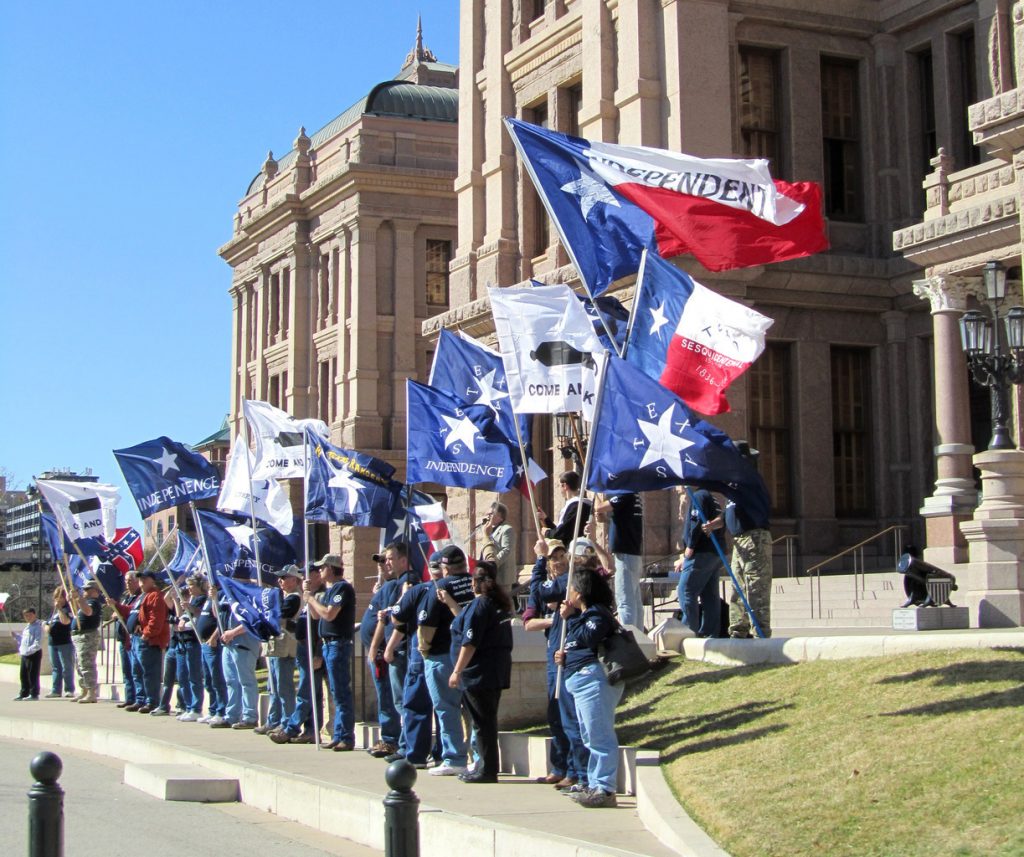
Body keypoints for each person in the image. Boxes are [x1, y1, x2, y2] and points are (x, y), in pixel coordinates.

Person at [522, 537, 588, 790]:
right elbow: (529, 618)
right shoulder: (552, 584)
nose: (558, 561)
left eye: (561, 555)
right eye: (552, 557)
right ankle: (560, 766)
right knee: (555, 713)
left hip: (568, 651)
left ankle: (576, 771)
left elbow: (541, 590)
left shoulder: (571, 580)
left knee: (570, 715)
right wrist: (552, 620)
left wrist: (537, 561)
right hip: (553, 650)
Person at [554, 568, 623, 808]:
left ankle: (604, 788)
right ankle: (594, 783)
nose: (567, 592)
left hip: (594, 681)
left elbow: (589, 638)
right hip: (580, 681)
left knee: (600, 735)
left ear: (581, 592)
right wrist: (566, 657)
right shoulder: (582, 616)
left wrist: (571, 617)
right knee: (590, 736)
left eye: (571, 587)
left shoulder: (597, 614)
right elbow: (577, 643)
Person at [447, 564, 514, 784]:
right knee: (486, 722)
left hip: (479, 673)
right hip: (494, 671)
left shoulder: (481, 605)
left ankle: (487, 770)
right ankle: (486, 767)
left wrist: (457, 671)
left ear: (476, 583)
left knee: (482, 723)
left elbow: (470, 642)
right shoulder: (497, 604)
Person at [703, 443, 774, 639]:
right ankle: (738, 630)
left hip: (754, 538)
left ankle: (760, 632)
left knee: (755, 587)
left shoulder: (750, 482)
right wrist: (713, 525)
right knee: (738, 585)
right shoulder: (734, 487)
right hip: (740, 540)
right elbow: (728, 515)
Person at [419, 545, 474, 777]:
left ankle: (454, 757)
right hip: (471, 654)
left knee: (446, 708)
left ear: (445, 567)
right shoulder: (475, 583)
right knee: (472, 710)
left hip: (442, 654)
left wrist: (424, 648)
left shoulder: (440, 587)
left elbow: (426, 624)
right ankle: (477, 757)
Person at [383, 552, 436, 768]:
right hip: (436, 655)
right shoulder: (437, 590)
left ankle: (414, 753)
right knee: (435, 707)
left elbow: (397, 618)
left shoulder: (419, 590)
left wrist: (405, 596)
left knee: (414, 704)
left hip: (420, 654)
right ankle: (433, 753)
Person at [303, 553, 356, 751]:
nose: (319, 571)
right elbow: (317, 615)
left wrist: (311, 599)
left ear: (332, 568)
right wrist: (309, 598)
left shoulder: (342, 588)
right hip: (328, 644)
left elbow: (329, 614)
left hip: (338, 644)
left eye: (322, 567)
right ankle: (338, 732)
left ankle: (346, 736)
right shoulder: (329, 590)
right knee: (334, 690)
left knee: (341, 691)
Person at [271, 566, 326, 744]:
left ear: (318, 575)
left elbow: (320, 628)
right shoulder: (306, 596)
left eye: (308, 575)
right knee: (312, 693)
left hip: (314, 648)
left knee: (305, 691)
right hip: (303, 646)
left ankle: (290, 729)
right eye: (302, 575)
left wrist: (318, 653)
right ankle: (311, 730)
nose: (304, 579)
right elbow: (300, 624)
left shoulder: (319, 596)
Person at [359, 550, 402, 758]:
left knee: (387, 696)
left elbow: (383, 619)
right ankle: (389, 736)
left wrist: (375, 647)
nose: (382, 565)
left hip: (382, 651)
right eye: (381, 562)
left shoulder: (395, 586)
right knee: (384, 694)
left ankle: (390, 739)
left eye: (386, 561)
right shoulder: (384, 586)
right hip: (374, 650)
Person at [215, 574, 262, 730]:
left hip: (244, 643)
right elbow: (218, 615)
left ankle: (250, 717)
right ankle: (232, 715)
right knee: (231, 681)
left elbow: (252, 621)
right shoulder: (226, 594)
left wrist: (232, 633)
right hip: (228, 645)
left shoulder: (251, 594)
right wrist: (213, 599)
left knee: (246, 681)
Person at [675, 488, 723, 638]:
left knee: (686, 590)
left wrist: (690, 546)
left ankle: (688, 631)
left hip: (701, 552)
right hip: (714, 552)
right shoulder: (712, 498)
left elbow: (697, 522)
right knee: (709, 594)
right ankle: (710, 632)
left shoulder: (699, 496)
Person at [592, 492, 644, 629]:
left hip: (625, 553)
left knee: (625, 601)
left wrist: (595, 491)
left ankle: (630, 639)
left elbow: (599, 507)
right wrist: (606, 519)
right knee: (635, 601)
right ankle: (638, 638)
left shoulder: (625, 492)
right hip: (632, 553)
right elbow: (623, 520)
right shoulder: (633, 494)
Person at [260, 566, 301, 734]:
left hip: (285, 646)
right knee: (273, 687)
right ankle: (274, 719)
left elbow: (279, 615)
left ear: (294, 579)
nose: (280, 581)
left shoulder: (294, 598)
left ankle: (286, 722)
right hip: (275, 646)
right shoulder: (283, 597)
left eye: (284, 578)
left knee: (284, 687)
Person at [191, 577, 227, 724]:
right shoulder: (208, 599)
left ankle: (221, 710)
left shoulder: (221, 598)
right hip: (204, 644)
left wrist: (214, 637)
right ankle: (212, 710)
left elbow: (221, 620)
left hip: (213, 644)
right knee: (209, 680)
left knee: (217, 679)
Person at [135, 570, 170, 713]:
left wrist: (147, 633)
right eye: (140, 580)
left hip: (152, 641)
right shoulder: (146, 596)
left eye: (144, 580)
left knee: (151, 673)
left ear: (152, 581)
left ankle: (152, 701)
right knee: (143, 672)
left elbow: (156, 619)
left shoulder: (155, 596)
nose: (141, 583)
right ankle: (147, 699)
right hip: (146, 638)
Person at [172, 578, 205, 721]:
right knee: (182, 676)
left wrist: (190, 607)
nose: (189, 588)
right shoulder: (190, 599)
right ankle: (187, 705)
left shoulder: (202, 599)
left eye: (192, 585)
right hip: (181, 641)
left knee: (194, 676)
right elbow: (182, 618)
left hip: (193, 642)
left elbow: (199, 614)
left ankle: (196, 707)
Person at [107, 573, 142, 708]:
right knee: (126, 671)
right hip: (122, 638)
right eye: (126, 581)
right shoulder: (126, 597)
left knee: (135, 670)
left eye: (130, 580)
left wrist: (119, 609)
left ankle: (139, 698)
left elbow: (132, 612)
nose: (127, 583)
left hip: (132, 637)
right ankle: (129, 697)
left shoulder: (139, 597)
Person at [70, 579, 104, 703]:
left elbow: (88, 611)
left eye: (86, 589)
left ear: (94, 591)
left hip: (87, 636)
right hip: (79, 636)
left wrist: (79, 599)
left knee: (86, 664)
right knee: (79, 665)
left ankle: (91, 692)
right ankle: (83, 689)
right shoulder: (86, 601)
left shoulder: (93, 602)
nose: (84, 591)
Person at [538, 471, 592, 547]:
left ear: (564, 486)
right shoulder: (573, 505)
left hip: (575, 550)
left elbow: (562, 533)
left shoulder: (577, 506)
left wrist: (547, 533)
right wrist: (546, 519)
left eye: (559, 485)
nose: (559, 489)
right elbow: (562, 530)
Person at [44, 587, 75, 699]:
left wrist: (60, 610)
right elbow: (47, 623)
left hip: (65, 642)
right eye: (56, 597)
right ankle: (55, 690)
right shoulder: (53, 612)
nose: (58, 599)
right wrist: (46, 627)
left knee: (66, 666)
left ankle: (69, 689)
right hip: (53, 642)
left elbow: (66, 621)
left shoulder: (67, 609)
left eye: (61, 597)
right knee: (56, 667)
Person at [480, 502, 517, 589]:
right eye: (487, 514)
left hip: (502, 576)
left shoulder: (507, 529)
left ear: (500, 515)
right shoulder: (489, 529)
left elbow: (507, 550)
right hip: (489, 576)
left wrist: (493, 564)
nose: (488, 516)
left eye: (491, 513)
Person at [12, 607, 44, 701]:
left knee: (32, 674)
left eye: (30, 615)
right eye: (26, 616)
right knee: (23, 674)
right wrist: (16, 637)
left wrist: (29, 650)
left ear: (34, 615)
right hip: (25, 653)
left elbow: (38, 642)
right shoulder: (27, 627)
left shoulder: (38, 626)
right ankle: (24, 693)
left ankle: (34, 694)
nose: (28, 617)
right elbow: (24, 640)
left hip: (33, 653)